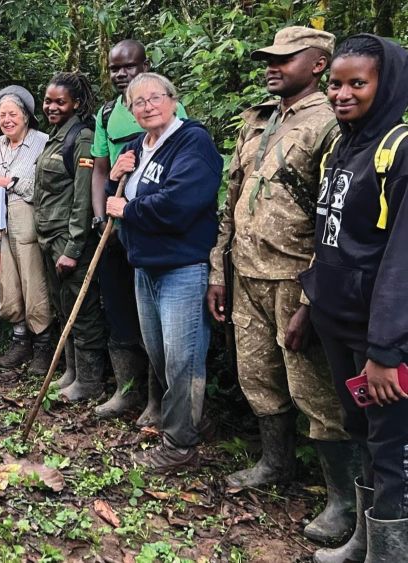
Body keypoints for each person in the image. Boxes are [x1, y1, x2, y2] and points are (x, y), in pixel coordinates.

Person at [207, 27, 355, 544]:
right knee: (258, 376)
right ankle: (276, 463)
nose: (273, 66)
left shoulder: (331, 124)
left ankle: (344, 501)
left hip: (296, 279)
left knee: (314, 390)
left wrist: (313, 299)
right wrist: (217, 269)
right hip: (246, 272)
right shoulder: (259, 119)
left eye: (285, 59)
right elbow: (232, 200)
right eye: (269, 58)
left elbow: (334, 219)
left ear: (318, 64)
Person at [300, 34, 408, 563]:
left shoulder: (400, 150)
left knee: (392, 448)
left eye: (357, 84)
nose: (341, 94)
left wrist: (387, 350)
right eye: (336, 84)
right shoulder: (344, 146)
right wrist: (309, 303)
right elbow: (329, 240)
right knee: (362, 433)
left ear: (384, 84)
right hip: (338, 323)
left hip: (381, 338)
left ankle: (391, 551)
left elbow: (401, 262)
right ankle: (366, 539)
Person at [105, 73, 222, 472]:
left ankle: (179, 446)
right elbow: (118, 194)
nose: (147, 106)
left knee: (182, 359)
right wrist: (117, 175)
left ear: (173, 100)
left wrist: (130, 210)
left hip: (182, 267)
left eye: (155, 98)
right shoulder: (139, 145)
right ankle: (193, 420)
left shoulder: (192, 141)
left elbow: (183, 201)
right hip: (145, 266)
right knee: (158, 354)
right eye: (138, 102)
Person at [91, 40, 187, 427]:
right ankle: (125, 390)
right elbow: (100, 169)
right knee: (120, 308)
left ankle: (157, 400)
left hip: (152, 226)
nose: (121, 74)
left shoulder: (168, 107)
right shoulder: (107, 113)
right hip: (114, 225)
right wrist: (102, 220)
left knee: (158, 320)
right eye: (114, 68)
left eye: (128, 66)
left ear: (145, 65)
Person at [33, 72, 109, 403]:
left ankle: (90, 381)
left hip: (69, 242)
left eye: (59, 102)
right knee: (64, 307)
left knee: (84, 312)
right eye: (48, 100)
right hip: (49, 238)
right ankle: (72, 372)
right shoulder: (56, 137)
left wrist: (74, 248)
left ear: (76, 104)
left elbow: (82, 199)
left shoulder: (82, 138)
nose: (51, 106)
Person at [0, 86, 51, 374]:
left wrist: (5, 181)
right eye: (1, 116)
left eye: (12, 114)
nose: (6, 120)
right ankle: (20, 340)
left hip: (27, 217)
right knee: (7, 281)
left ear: (26, 116)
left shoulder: (42, 142)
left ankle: (43, 344)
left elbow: (40, 187)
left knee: (33, 280)